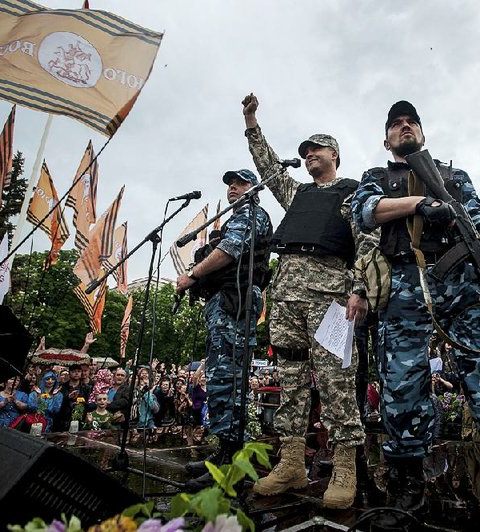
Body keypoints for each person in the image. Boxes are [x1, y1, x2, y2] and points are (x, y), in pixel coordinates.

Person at [351, 100, 480, 530]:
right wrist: (418, 204)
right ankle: (409, 492)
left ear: (423, 133)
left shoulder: (454, 176)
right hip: (404, 283)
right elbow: (365, 212)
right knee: (403, 383)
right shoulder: (377, 177)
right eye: (396, 125)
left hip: (461, 279)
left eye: (412, 123)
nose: (405, 128)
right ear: (386, 139)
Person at [242, 93, 369, 509]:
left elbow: (366, 241)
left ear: (334, 153)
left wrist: (359, 288)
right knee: (291, 376)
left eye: (316, 149)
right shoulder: (296, 193)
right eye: (305, 151)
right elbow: (268, 167)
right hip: (286, 292)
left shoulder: (352, 194)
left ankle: (345, 463)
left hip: (331, 292)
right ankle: (292, 460)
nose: (309, 155)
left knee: (335, 378)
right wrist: (252, 123)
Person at [176, 168, 273, 489]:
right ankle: (224, 453)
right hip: (227, 302)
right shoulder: (238, 216)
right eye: (230, 184)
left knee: (228, 379)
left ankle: (234, 462)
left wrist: (193, 274)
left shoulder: (251, 214)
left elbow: (229, 250)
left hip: (237, 301)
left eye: (241, 182)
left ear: (254, 188)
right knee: (221, 376)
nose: (233, 188)